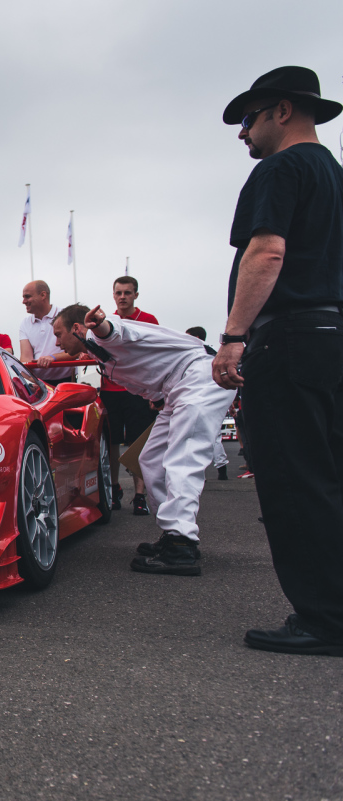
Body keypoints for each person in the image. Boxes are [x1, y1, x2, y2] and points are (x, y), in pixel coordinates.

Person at [212, 66, 343, 656]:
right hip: (332, 333)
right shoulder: (333, 174)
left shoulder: (281, 168)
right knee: (330, 476)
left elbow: (266, 251)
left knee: (295, 479)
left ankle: (324, 618)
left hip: (289, 336)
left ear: (282, 111)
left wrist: (235, 335)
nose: (243, 133)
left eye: (248, 118)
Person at [53, 304, 236, 576]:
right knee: (150, 460)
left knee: (182, 459)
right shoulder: (95, 349)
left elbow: (114, 332)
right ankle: (173, 532)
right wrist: (159, 399)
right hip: (176, 389)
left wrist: (100, 326)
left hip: (199, 377)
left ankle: (181, 543)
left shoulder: (99, 334)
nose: (56, 341)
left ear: (77, 328)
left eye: (59, 333)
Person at [99, 276, 160, 515]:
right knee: (112, 443)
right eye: (119, 293)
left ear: (135, 295)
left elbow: (155, 354)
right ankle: (114, 489)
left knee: (138, 443)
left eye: (127, 292)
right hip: (110, 389)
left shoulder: (148, 320)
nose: (123, 296)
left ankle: (140, 495)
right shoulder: (106, 321)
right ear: (113, 295)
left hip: (138, 390)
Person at [185, 326, 231, 481]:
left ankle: (199, 472)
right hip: (215, 396)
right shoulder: (213, 353)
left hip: (202, 396)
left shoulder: (196, 353)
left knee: (198, 436)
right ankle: (221, 468)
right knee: (214, 434)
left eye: (189, 336)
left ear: (197, 337)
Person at [18, 280, 79, 385]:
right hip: (39, 384)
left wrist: (53, 358)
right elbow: (26, 359)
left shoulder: (66, 316)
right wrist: (34, 383)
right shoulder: (25, 323)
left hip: (66, 382)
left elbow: (77, 349)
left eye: (27, 297)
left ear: (43, 295)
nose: (23, 301)